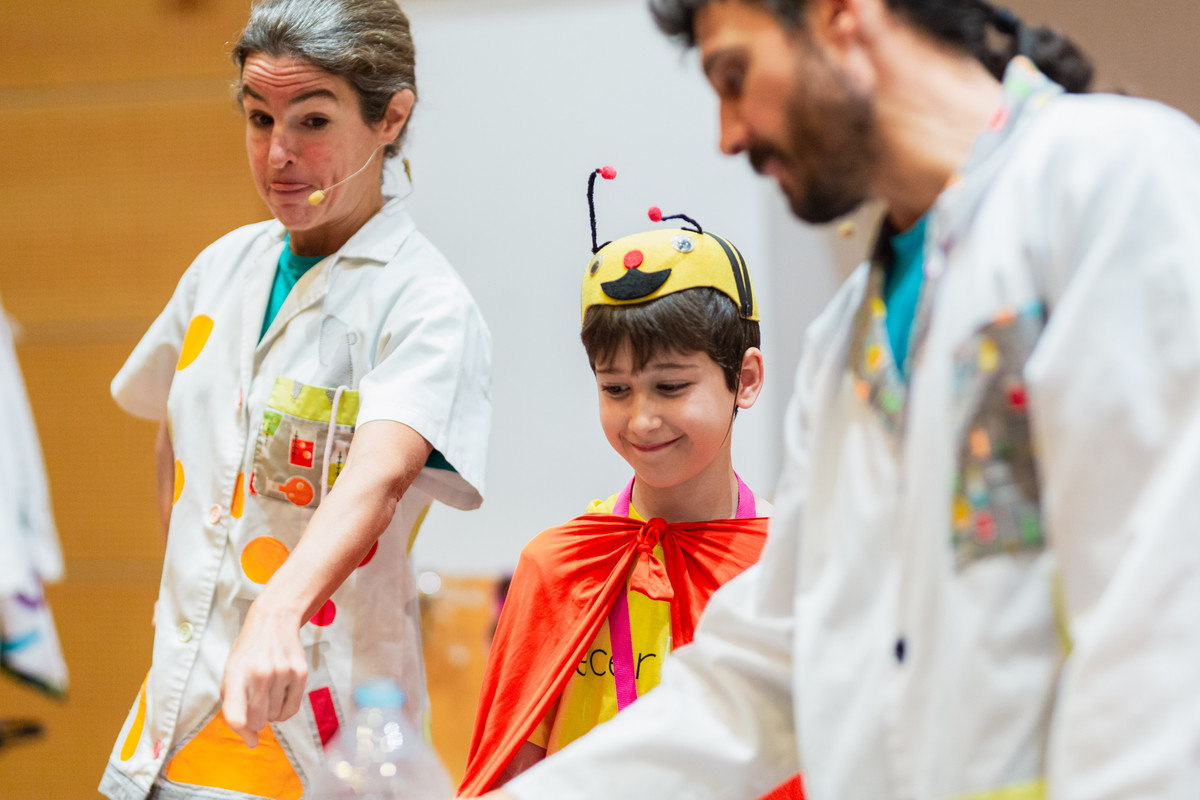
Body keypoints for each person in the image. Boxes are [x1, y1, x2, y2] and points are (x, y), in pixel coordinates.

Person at [483, 1, 1200, 798]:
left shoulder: (1111, 180)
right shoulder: (845, 342)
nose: (728, 135)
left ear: (839, 17)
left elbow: (1158, 625)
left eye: (735, 75)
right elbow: (765, 670)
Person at [98, 1, 492, 798]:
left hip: (324, 723)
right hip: (174, 720)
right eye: (259, 118)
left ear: (391, 118)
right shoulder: (221, 269)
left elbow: (379, 477)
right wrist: (191, 595)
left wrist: (275, 612)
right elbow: (177, 438)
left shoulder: (423, 302)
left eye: (312, 121)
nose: (278, 154)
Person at [459, 170, 800, 799]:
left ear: (746, 379)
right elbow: (509, 775)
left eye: (671, 386)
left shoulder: (791, 568)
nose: (641, 419)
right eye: (615, 388)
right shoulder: (556, 570)